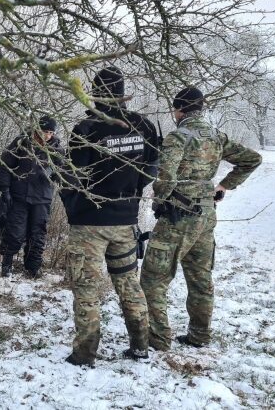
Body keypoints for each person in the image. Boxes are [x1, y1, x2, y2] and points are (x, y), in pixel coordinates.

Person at [140, 87, 262, 351]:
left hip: (178, 216)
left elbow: (166, 178)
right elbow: (252, 159)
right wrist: (224, 186)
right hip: (206, 217)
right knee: (200, 278)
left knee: (153, 277)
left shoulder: (178, 137)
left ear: (179, 109)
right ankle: (199, 335)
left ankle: (158, 339)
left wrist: (160, 201)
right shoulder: (217, 136)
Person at [61, 66, 160, 367]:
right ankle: (141, 345)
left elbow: (73, 178)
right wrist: (128, 193)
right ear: (122, 91)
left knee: (87, 289)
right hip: (126, 221)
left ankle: (84, 353)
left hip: (90, 223)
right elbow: (150, 171)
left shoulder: (87, 129)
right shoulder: (144, 126)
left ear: (96, 92)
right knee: (129, 284)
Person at [0, 115, 63, 278]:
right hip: (20, 195)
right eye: (44, 131)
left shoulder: (58, 150)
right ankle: (7, 264)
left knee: (38, 234)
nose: (47, 135)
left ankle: (33, 268)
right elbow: (4, 164)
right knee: (15, 231)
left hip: (42, 198)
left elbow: (62, 171)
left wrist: (53, 173)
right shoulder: (21, 143)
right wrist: (5, 189)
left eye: (50, 132)